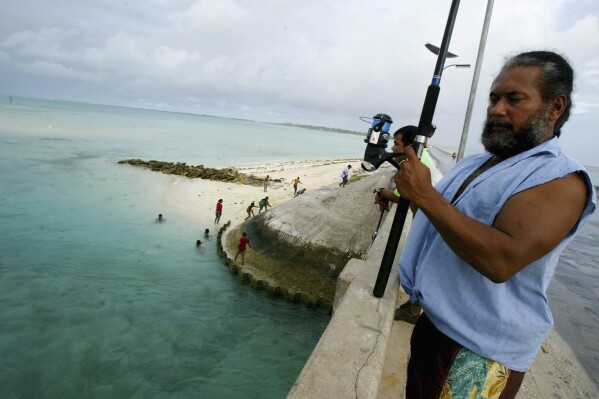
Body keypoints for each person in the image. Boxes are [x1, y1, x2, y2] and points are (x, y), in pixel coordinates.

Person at [394, 51, 595, 398]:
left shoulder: (561, 179)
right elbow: (442, 216)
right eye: (493, 98)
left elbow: (501, 260)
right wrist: (408, 192)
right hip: (436, 325)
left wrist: (425, 195)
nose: (497, 109)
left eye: (514, 99)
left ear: (555, 107)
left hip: (479, 351)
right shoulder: (477, 162)